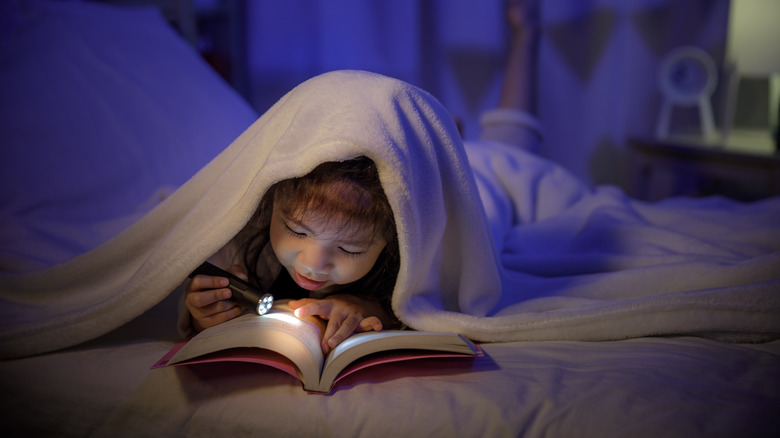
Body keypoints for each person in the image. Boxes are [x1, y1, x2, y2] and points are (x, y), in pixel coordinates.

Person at [184, 156, 401, 354]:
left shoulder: (399, 271)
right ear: (274, 204)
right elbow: (197, 330)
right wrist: (205, 318)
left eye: (349, 249)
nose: (313, 265)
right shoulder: (247, 246)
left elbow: (416, 313)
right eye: (297, 231)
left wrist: (369, 309)